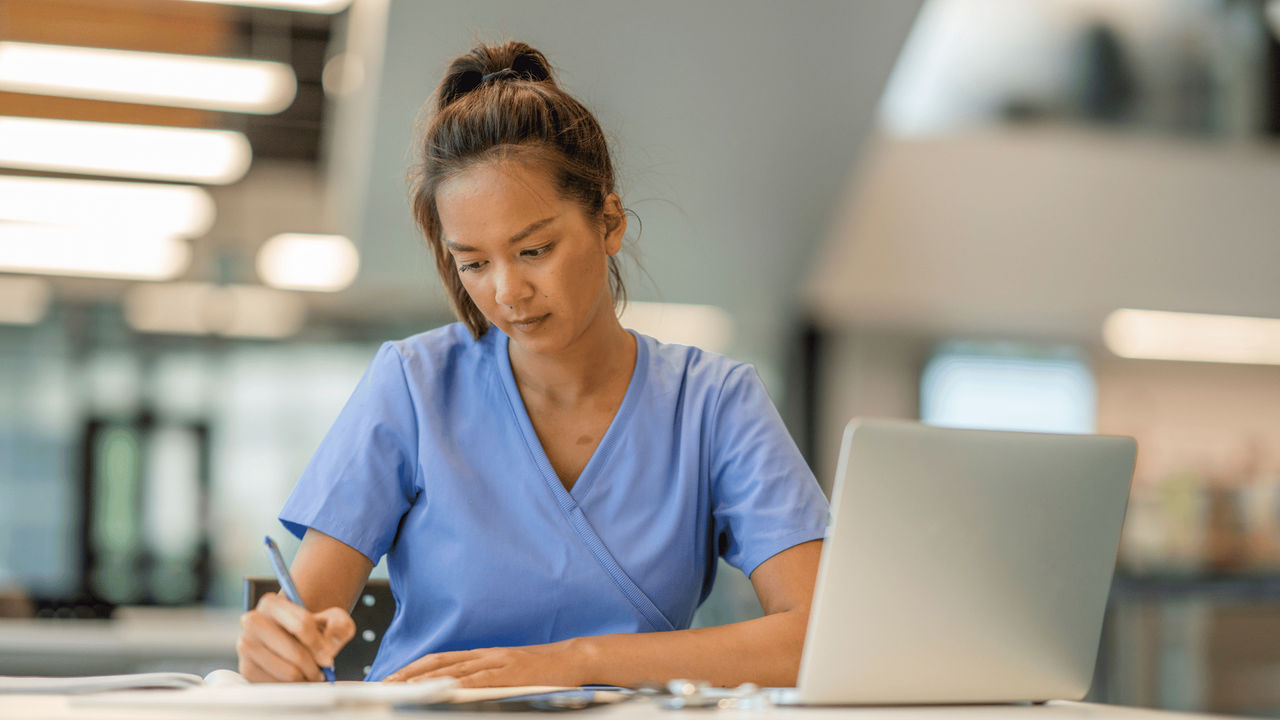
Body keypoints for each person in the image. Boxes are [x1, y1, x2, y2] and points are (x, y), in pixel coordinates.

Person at [235, 41, 828, 689]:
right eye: (473, 263)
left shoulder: (714, 403)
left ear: (608, 221)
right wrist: (279, 644)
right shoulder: (413, 384)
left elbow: (815, 636)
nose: (507, 293)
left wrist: (574, 663)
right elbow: (305, 621)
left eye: (534, 249)